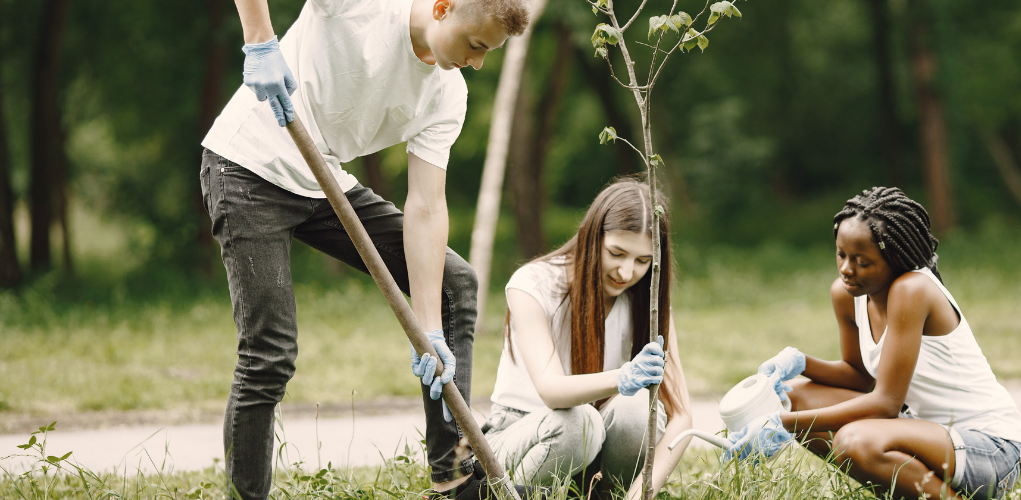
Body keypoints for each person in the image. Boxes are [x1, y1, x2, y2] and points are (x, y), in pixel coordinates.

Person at [198, 0, 530, 498]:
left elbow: (425, 207)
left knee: (453, 284)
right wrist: (260, 41)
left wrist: (430, 332)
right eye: (476, 45)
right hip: (248, 167)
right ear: (443, 7)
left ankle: (453, 476)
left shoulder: (447, 94)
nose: (478, 62)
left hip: (322, 178)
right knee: (270, 353)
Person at [724, 187, 1021, 500]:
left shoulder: (912, 290)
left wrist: (780, 424)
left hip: (990, 449)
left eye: (862, 261)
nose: (846, 269)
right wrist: (800, 362)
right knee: (794, 396)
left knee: (855, 442)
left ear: (895, 258)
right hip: (923, 433)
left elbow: (885, 403)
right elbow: (859, 375)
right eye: (841, 254)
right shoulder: (846, 295)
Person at [484, 179, 694, 498]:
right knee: (578, 424)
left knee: (638, 409)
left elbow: (682, 416)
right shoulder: (533, 284)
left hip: (593, 449)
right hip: (520, 436)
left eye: (642, 261)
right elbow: (551, 391)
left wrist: (640, 494)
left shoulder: (647, 304)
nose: (625, 272)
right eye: (616, 253)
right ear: (593, 236)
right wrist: (622, 377)